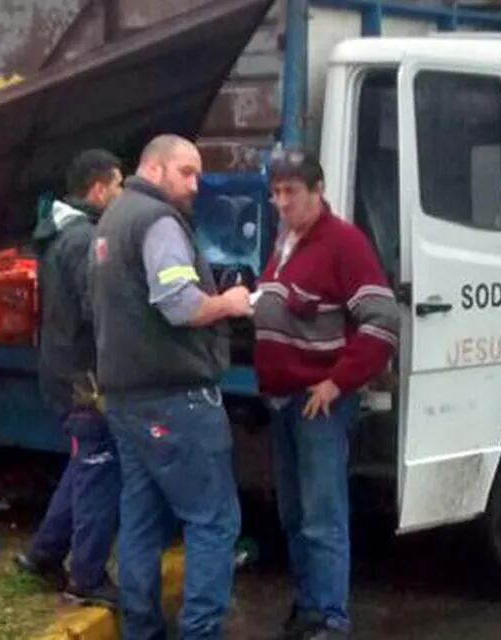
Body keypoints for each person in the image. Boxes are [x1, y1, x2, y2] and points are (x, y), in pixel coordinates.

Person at [90, 134, 252, 639]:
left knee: (140, 519)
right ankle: (201, 632)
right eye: (187, 172)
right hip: (175, 399)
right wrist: (230, 303)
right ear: (154, 169)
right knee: (213, 522)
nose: (196, 184)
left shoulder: (112, 219)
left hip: (126, 398)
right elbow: (179, 303)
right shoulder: (158, 222)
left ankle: (140, 630)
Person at [252, 149, 400, 639]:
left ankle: (332, 618)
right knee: (294, 513)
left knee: (322, 513)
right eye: (275, 193)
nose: (281, 202)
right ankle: (309, 607)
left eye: (291, 192)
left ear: (318, 192)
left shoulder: (345, 244)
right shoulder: (287, 240)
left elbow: (382, 321)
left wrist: (338, 381)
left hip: (318, 403)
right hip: (283, 399)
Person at [15, 148, 123, 608]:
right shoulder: (85, 241)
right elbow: (95, 308)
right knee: (100, 469)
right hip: (85, 379)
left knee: (85, 462)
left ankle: (43, 554)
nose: (122, 196)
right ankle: (88, 577)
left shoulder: (63, 232)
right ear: (98, 189)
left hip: (65, 370)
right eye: (118, 186)